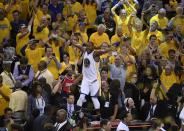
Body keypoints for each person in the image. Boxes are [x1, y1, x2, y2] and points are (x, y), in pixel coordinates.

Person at [73, 41, 113, 114]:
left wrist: (109, 49)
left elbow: (102, 52)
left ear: (93, 47)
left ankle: (98, 115)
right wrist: (74, 43)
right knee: (81, 96)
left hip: (94, 80)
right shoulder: (85, 51)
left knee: (94, 98)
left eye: (90, 46)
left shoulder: (95, 53)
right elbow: (80, 46)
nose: (88, 47)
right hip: (85, 79)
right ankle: (76, 113)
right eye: (87, 46)